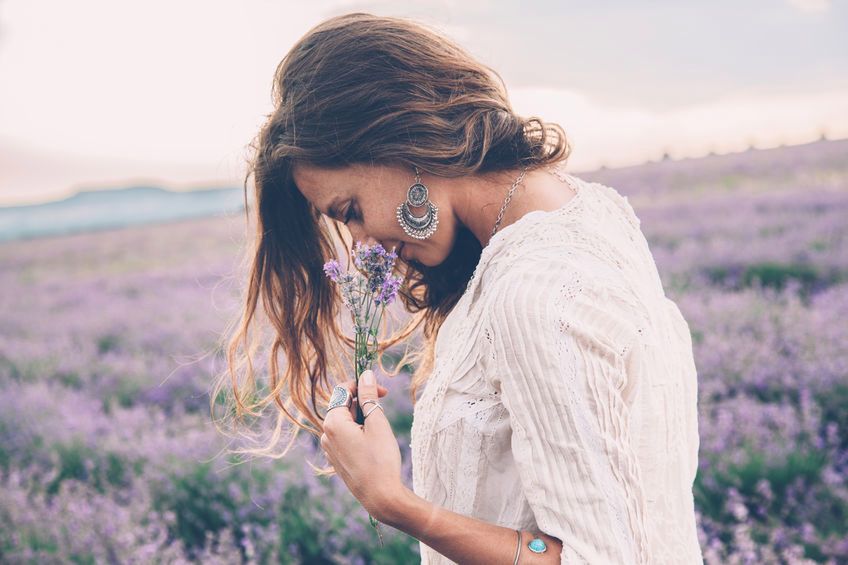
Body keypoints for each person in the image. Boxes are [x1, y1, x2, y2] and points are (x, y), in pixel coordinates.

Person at [215, 12, 704, 565]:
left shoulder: (534, 292)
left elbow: (590, 559)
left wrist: (394, 501)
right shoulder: (590, 211)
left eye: (350, 211)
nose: (362, 241)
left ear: (401, 141)